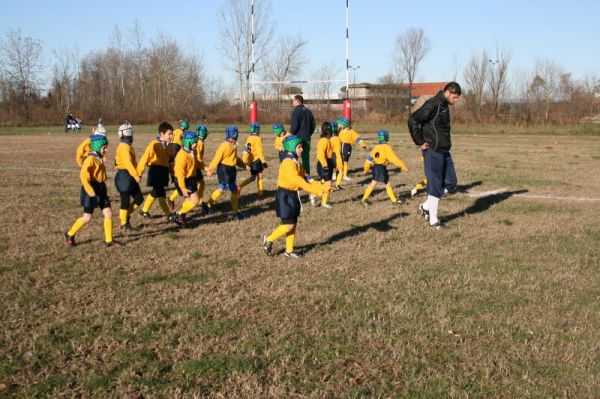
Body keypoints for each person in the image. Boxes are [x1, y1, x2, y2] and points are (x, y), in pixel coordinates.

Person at [262, 135, 331, 258]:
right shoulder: (288, 163)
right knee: (288, 225)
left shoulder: (295, 161)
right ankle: (269, 239)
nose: (302, 149)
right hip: (285, 195)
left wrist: (322, 187)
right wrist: (316, 191)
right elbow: (299, 181)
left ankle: (289, 251)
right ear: (291, 148)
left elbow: (307, 178)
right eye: (299, 147)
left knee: (293, 223)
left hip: (292, 194)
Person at [408, 81, 461, 230]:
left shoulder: (443, 105)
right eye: (455, 97)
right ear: (448, 92)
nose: (456, 101)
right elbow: (413, 119)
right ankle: (433, 221)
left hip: (444, 150)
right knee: (435, 185)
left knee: (451, 183)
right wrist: (419, 140)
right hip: (433, 151)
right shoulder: (434, 103)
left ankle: (425, 206)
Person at [64, 134, 120, 247]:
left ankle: (109, 240)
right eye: (104, 147)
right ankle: (69, 234)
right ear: (96, 147)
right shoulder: (90, 159)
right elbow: (83, 177)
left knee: (108, 213)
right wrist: (90, 191)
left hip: (100, 189)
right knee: (87, 217)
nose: (106, 149)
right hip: (90, 190)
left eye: (106, 147)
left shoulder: (98, 157)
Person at [205, 125, 250, 221]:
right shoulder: (224, 145)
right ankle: (208, 204)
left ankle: (235, 212)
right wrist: (211, 169)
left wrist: (244, 165)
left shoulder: (233, 145)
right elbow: (217, 158)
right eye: (236, 132)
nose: (237, 134)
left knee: (234, 190)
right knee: (222, 189)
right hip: (224, 170)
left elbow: (235, 158)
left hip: (231, 170)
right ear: (233, 134)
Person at [137, 122, 176, 219]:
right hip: (155, 171)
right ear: (162, 134)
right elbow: (144, 158)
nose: (171, 136)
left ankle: (144, 211)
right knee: (160, 193)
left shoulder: (170, 146)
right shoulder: (153, 144)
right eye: (169, 134)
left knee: (157, 193)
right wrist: (139, 173)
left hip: (164, 172)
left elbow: (171, 161)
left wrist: (173, 174)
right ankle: (168, 215)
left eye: (172, 134)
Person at [361, 129, 409, 206]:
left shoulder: (376, 147)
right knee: (383, 183)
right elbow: (394, 158)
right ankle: (393, 200)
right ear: (386, 137)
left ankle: (364, 199)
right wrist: (402, 166)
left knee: (379, 183)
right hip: (381, 168)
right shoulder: (386, 147)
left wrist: (366, 168)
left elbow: (369, 159)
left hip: (375, 167)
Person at [114, 122, 144, 231]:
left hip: (130, 175)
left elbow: (133, 162)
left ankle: (124, 216)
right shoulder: (123, 147)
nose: (130, 137)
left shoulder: (128, 146)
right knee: (125, 201)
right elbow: (127, 163)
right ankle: (123, 223)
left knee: (139, 198)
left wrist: (137, 172)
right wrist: (135, 175)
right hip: (124, 176)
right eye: (128, 135)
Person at [169, 131, 201, 227]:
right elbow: (180, 174)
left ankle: (181, 217)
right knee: (195, 201)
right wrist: (182, 188)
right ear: (188, 142)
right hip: (182, 180)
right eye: (195, 142)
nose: (197, 144)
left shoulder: (192, 151)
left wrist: (206, 168)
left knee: (188, 201)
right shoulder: (182, 156)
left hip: (190, 179)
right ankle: (178, 214)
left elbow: (197, 162)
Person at [238, 122, 267, 197]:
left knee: (254, 177)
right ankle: (260, 193)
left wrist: (245, 161)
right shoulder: (258, 138)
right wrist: (263, 161)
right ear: (258, 130)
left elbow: (246, 150)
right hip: (257, 160)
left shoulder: (249, 138)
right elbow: (259, 151)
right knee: (258, 176)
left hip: (251, 161)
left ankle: (240, 186)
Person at [290, 95, 316, 175]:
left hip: (297, 139)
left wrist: (291, 135)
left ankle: (295, 175)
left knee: (294, 157)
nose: (292, 102)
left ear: (297, 101)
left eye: (293, 101)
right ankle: (307, 175)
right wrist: (309, 133)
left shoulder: (296, 111)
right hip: (307, 138)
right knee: (305, 158)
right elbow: (313, 125)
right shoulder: (308, 111)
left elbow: (295, 126)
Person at [167, 120, 190, 207]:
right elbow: (182, 141)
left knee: (171, 163)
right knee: (176, 163)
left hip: (170, 146)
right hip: (175, 147)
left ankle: (173, 176)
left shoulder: (176, 130)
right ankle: (173, 176)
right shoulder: (181, 132)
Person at [337, 117, 367, 183]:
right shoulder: (340, 131)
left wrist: (362, 144)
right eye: (348, 124)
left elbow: (357, 138)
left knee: (345, 161)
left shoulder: (351, 131)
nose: (350, 125)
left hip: (348, 147)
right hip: (342, 145)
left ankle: (344, 175)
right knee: (341, 160)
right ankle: (337, 174)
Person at [315, 122, 336, 208]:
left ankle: (313, 193)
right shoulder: (323, 141)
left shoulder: (327, 140)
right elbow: (320, 155)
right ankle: (324, 203)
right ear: (328, 131)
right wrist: (325, 165)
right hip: (324, 165)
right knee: (328, 184)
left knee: (325, 182)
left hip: (328, 163)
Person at [329, 121, 344, 189]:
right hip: (338, 157)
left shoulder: (329, 139)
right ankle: (338, 185)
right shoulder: (338, 139)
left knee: (330, 171)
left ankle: (324, 182)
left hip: (331, 157)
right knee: (341, 171)